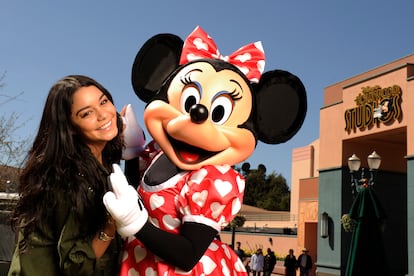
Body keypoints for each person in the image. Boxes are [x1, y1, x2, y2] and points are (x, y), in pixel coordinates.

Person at [8, 75, 125, 275]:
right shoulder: (68, 178)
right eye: (87, 113)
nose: (103, 115)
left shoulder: (102, 165)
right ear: (69, 127)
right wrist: (111, 226)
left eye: (104, 102)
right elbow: (75, 266)